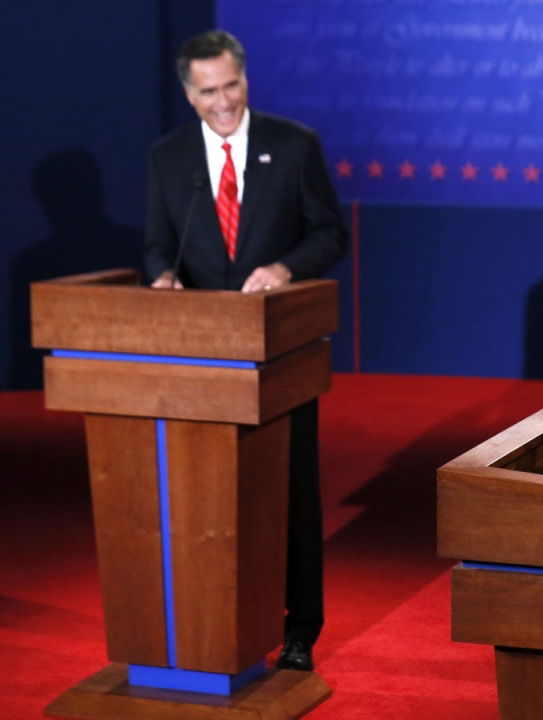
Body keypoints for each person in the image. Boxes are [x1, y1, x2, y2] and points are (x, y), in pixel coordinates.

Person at [145, 30, 347, 671]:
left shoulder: (292, 146)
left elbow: (329, 234)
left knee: (289, 494)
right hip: (202, 355)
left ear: (245, 80)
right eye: (209, 91)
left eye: (232, 85)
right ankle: (213, 623)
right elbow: (156, 244)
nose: (224, 100)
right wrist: (163, 278)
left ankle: (299, 629)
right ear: (188, 94)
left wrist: (287, 269)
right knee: (208, 498)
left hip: (279, 351)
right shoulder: (167, 158)